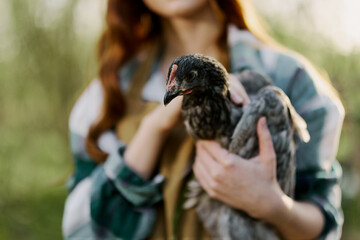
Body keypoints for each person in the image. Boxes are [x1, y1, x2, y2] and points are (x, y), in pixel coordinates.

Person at [62, 0, 344, 239]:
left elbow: (325, 223)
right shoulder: (105, 96)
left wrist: (273, 207)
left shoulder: (293, 80)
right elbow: (80, 232)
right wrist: (153, 129)